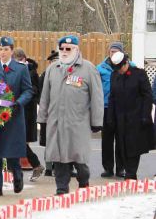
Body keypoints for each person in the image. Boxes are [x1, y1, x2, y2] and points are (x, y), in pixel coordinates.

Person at [37, 35, 104, 195]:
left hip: (78, 124)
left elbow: (97, 97)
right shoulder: (53, 69)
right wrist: (43, 119)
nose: (65, 52)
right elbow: (45, 96)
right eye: (62, 49)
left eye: (69, 49)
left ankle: (84, 180)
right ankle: (61, 189)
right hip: (56, 123)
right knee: (59, 158)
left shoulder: (88, 69)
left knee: (79, 159)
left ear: (76, 49)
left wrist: (97, 121)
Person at [0, 37, 33, 197]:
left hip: (13, 116)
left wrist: (19, 103)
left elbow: (28, 90)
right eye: (0, 49)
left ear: (12, 51)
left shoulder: (20, 69)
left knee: (11, 152)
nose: (3, 52)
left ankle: (17, 175)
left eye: (6, 49)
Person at [106, 51, 154, 180]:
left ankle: (131, 174)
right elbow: (112, 97)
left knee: (133, 146)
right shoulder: (114, 75)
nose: (119, 70)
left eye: (120, 67)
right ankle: (128, 171)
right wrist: (110, 116)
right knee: (122, 145)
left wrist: (145, 114)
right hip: (120, 117)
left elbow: (147, 96)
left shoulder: (139, 74)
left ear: (126, 63)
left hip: (136, 117)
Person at [14, 47, 44, 181]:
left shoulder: (31, 72)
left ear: (24, 59)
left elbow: (34, 91)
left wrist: (21, 98)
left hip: (26, 112)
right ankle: (31, 166)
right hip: (15, 110)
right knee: (16, 141)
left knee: (19, 141)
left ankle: (36, 164)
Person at [97, 41, 125, 178]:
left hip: (122, 108)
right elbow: (96, 89)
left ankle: (121, 168)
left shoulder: (128, 67)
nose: (113, 54)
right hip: (106, 108)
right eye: (111, 51)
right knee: (107, 140)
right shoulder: (100, 68)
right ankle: (108, 168)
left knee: (121, 139)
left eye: (116, 51)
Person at [39, 50, 59, 176]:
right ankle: (48, 167)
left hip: (61, 113)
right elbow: (41, 95)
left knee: (60, 141)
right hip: (48, 113)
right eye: (54, 61)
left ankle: (58, 167)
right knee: (49, 141)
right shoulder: (45, 75)